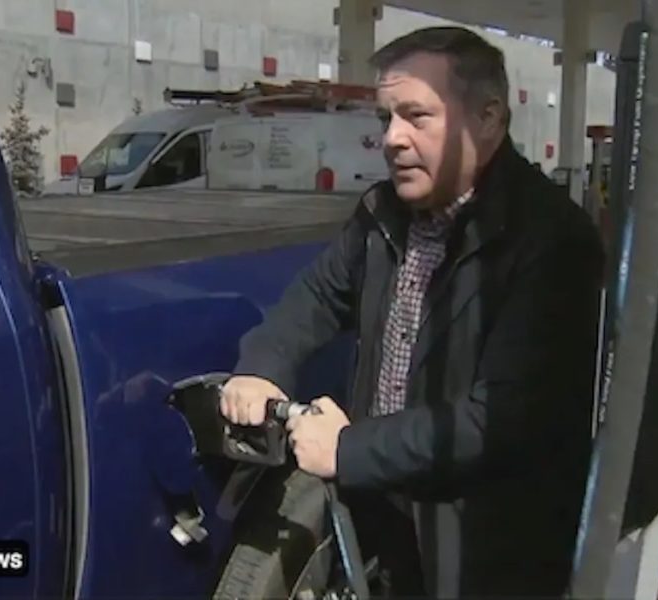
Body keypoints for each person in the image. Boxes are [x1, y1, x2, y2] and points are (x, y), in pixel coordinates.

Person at [220, 26, 604, 599]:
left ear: (489, 118)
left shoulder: (551, 241)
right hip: (386, 523)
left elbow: (498, 420)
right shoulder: (381, 214)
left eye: (416, 117)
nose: (393, 140)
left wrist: (348, 451)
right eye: (385, 119)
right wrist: (263, 365)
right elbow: (317, 297)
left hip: (483, 555)